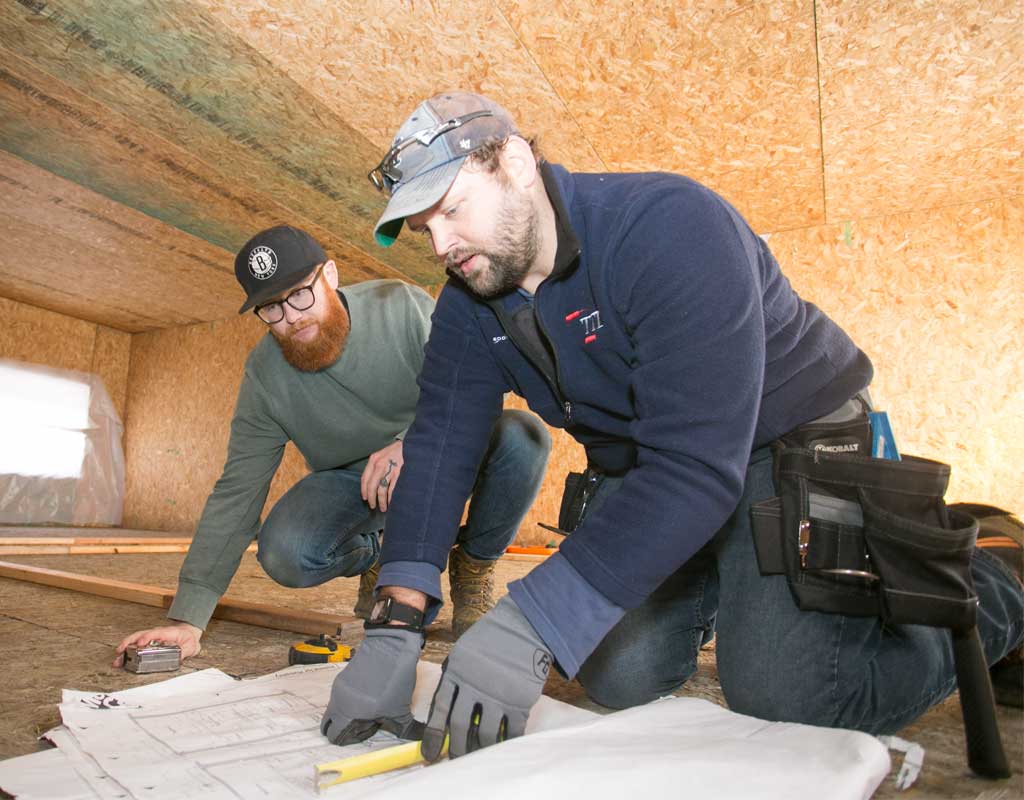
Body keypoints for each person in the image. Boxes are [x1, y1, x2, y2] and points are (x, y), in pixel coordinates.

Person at [319, 91, 1024, 758]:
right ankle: (739, 579)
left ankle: (1001, 580)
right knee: (618, 674)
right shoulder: (471, 303)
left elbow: (696, 465)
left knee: (790, 692)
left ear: (515, 164)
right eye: (423, 227)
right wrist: (394, 625)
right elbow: (440, 448)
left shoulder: (668, 226)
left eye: (452, 210)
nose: (440, 243)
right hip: (658, 470)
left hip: (784, 443)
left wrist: (531, 620)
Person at [113, 224, 551, 668]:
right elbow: (237, 490)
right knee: (285, 552)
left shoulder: (399, 305)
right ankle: (380, 552)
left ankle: (473, 563)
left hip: (438, 447)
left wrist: (411, 444)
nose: (291, 318)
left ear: (332, 276)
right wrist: (189, 617)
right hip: (353, 483)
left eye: (301, 294)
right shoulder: (264, 376)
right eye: (271, 308)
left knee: (522, 437)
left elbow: (472, 386)